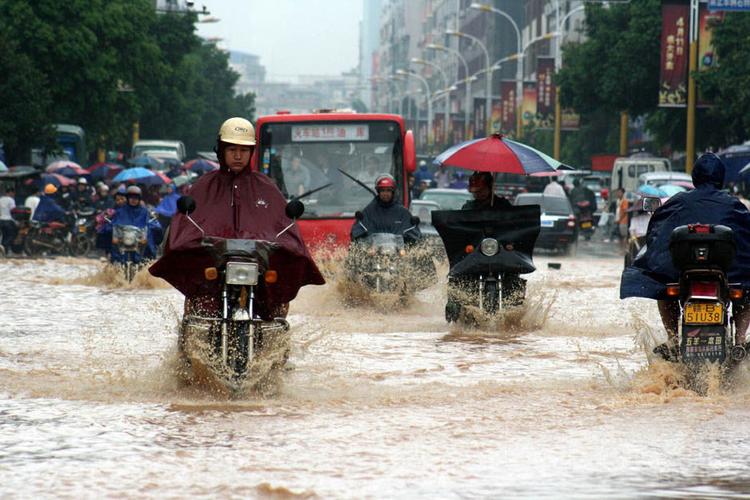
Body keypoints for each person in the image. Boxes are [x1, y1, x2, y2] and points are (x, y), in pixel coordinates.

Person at [149, 117, 324, 321]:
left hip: (258, 266)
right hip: (214, 265)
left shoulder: (266, 186)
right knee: (198, 306)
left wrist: (284, 244)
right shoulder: (203, 186)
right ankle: (191, 339)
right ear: (221, 151)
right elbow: (186, 224)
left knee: (277, 307)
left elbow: (281, 222)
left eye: (244, 150)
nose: (238, 156)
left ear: (251, 152)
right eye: (232, 150)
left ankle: (275, 341)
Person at [621, 153, 750, 354]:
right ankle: (740, 342)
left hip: (682, 273)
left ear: (695, 176)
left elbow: (656, 234)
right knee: (746, 292)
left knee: (663, 288)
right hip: (729, 274)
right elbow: (746, 239)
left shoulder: (677, 201)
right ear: (721, 177)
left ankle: (672, 340)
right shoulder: (734, 204)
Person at [460, 171, 523, 305]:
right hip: (476, 251)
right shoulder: (468, 207)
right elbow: (460, 229)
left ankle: (514, 304)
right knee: (459, 275)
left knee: (513, 274)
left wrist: (511, 243)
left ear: (490, 188)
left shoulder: (503, 205)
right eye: (475, 192)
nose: (478, 194)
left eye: (481, 191)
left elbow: (514, 225)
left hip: (500, 249)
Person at [351, 174, 421, 245]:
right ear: (378, 192)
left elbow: (413, 230)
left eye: (388, 190)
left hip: (398, 252)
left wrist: (408, 238)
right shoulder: (369, 211)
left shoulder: (403, 212)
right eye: (382, 190)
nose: (385, 193)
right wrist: (361, 235)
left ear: (393, 192)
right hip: (373, 252)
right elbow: (358, 229)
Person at [108, 185, 161, 264]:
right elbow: (116, 222)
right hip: (123, 237)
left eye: (136, 198)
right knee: (111, 240)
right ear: (128, 198)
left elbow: (148, 223)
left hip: (139, 238)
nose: (133, 200)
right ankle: (112, 261)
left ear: (139, 199)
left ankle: (148, 261)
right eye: (131, 198)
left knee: (151, 239)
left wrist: (152, 225)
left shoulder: (144, 211)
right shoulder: (120, 211)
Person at [0, 186, 17, 255]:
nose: (14, 195)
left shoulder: (0, 199)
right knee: (11, 235)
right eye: (13, 193)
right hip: (8, 220)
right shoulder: (11, 200)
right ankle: (4, 247)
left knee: (4, 235)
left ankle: (4, 251)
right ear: (10, 192)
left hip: (0, 220)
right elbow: (13, 210)